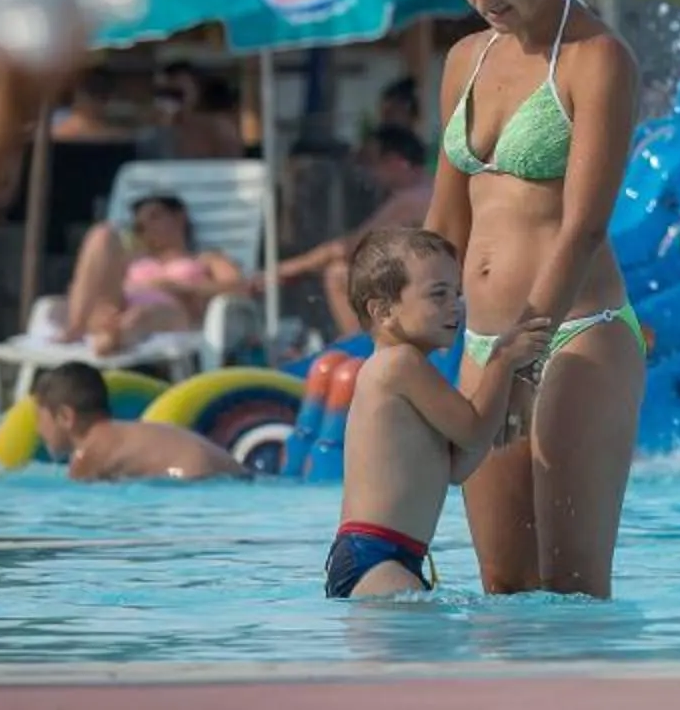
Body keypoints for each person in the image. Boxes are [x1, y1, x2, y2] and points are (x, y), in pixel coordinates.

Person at [425, 0, 642, 599]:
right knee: (503, 594)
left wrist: (524, 352)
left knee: (573, 593)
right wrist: (400, 334)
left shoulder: (596, 60)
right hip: (484, 343)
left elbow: (582, 225)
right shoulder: (465, 60)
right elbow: (446, 218)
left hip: (574, 333)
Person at [326, 227, 552, 599]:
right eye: (438, 295)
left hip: (384, 556)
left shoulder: (402, 370)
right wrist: (502, 360)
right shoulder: (400, 364)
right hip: (376, 559)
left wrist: (508, 395)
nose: (456, 306)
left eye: (457, 293)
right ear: (383, 311)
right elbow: (474, 429)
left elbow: (456, 467)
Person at [276, 127, 436, 336]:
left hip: (433, 287)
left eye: (371, 162)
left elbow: (350, 248)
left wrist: (285, 270)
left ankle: (362, 351)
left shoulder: (409, 200)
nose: (365, 171)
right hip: (441, 280)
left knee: (340, 275)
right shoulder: (430, 188)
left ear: (397, 163)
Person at [57, 191, 248, 356]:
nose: (147, 227)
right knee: (102, 233)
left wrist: (176, 287)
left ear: (180, 217)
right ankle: (78, 327)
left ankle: (116, 335)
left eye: (154, 217)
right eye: (140, 226)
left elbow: (240, 288)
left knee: (142, 314)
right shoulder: (133, 259)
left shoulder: (205, 258)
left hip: (172, 313)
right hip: (116, 307)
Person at [30, 361, 243, 481]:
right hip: (230, 472)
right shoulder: (126, 432)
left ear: (65, 417)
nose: (38, 429)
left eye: (40, 418)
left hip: (196, 482)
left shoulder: (88, 456)